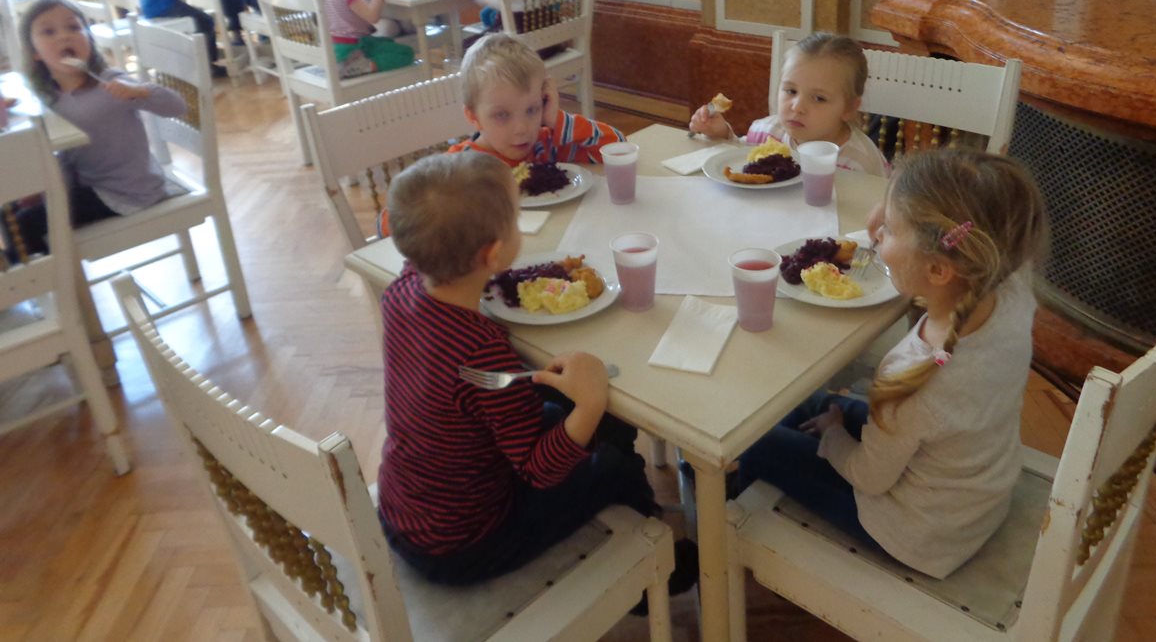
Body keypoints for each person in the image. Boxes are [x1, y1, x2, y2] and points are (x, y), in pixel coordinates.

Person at [377, 150, 698, 598]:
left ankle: (622, 522)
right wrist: (590, 403)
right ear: (492, 254)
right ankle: (646, 579)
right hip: (469, 544)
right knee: (613, 463)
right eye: (515, 220)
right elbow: (539, 470)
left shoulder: (401, 290)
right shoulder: (481, 352)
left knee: (558, 412)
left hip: (403, 510)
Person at [738, 148, 1049, 579]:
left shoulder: (914, 373)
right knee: (809, 404)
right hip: (974, 496)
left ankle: (717, 534)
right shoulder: (1011, 285)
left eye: (888, 231)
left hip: (913, 532)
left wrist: (833, 436)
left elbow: (868, 476)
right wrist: (896, 212)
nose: (876, 236)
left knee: (750, 443)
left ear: (938, 270)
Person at [6, 0, 187, 257]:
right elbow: (66, 158)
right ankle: (43, 273)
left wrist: (141, 92)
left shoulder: (112, 83)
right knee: (9, 208)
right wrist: (44, 190)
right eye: (48, 32)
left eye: (73, 27)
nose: (64, 36)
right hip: (87, 184)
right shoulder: (50, 97)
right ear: (34, 52)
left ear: (89, 39)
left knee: (25, 224)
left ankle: (51, 276)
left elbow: (177, 106)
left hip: (127, 191)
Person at [690, 31, 890, 176]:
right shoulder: (765, 133)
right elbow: (741, 159)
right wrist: (721, 134)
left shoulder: (861, 164)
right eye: (791, 91)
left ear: (849, 108)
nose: (797, 107)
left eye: (819, 98)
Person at [449, 33, 623, 166]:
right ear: (473, 116)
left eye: (531, 110)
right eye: (502, 115)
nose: (521, 129)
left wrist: (556, 119)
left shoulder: (546, 146)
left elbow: (618, 150)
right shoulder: (460, 167)